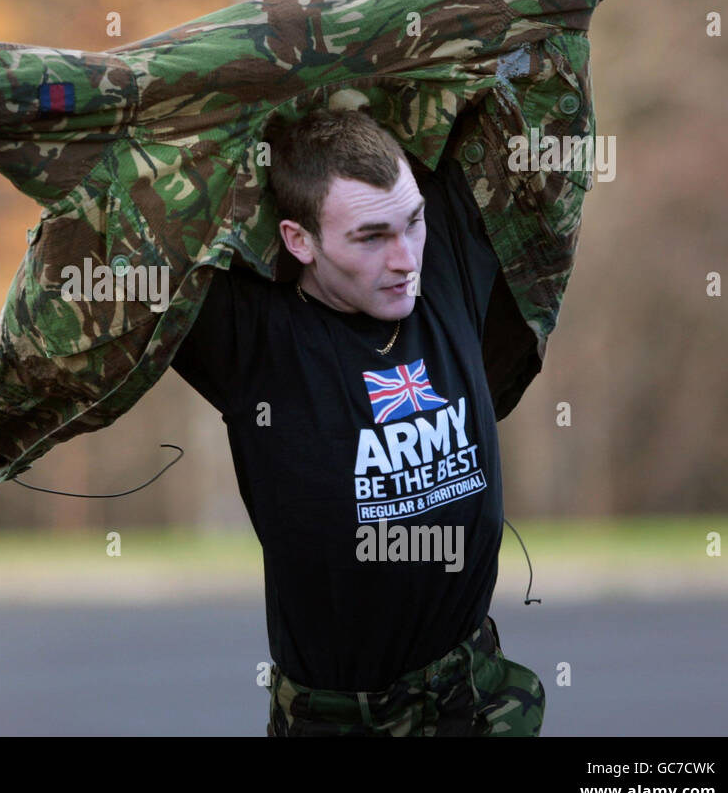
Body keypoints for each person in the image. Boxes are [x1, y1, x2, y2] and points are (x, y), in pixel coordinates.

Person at [170, 109, 545, 736]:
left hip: (474, 699)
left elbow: (502, 62)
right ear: (300, 240)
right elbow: (113, 207)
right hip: (339, 719)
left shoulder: (444, 254)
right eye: (371, 238)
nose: (404, 260)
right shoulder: (250, 335)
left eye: (412, 223)